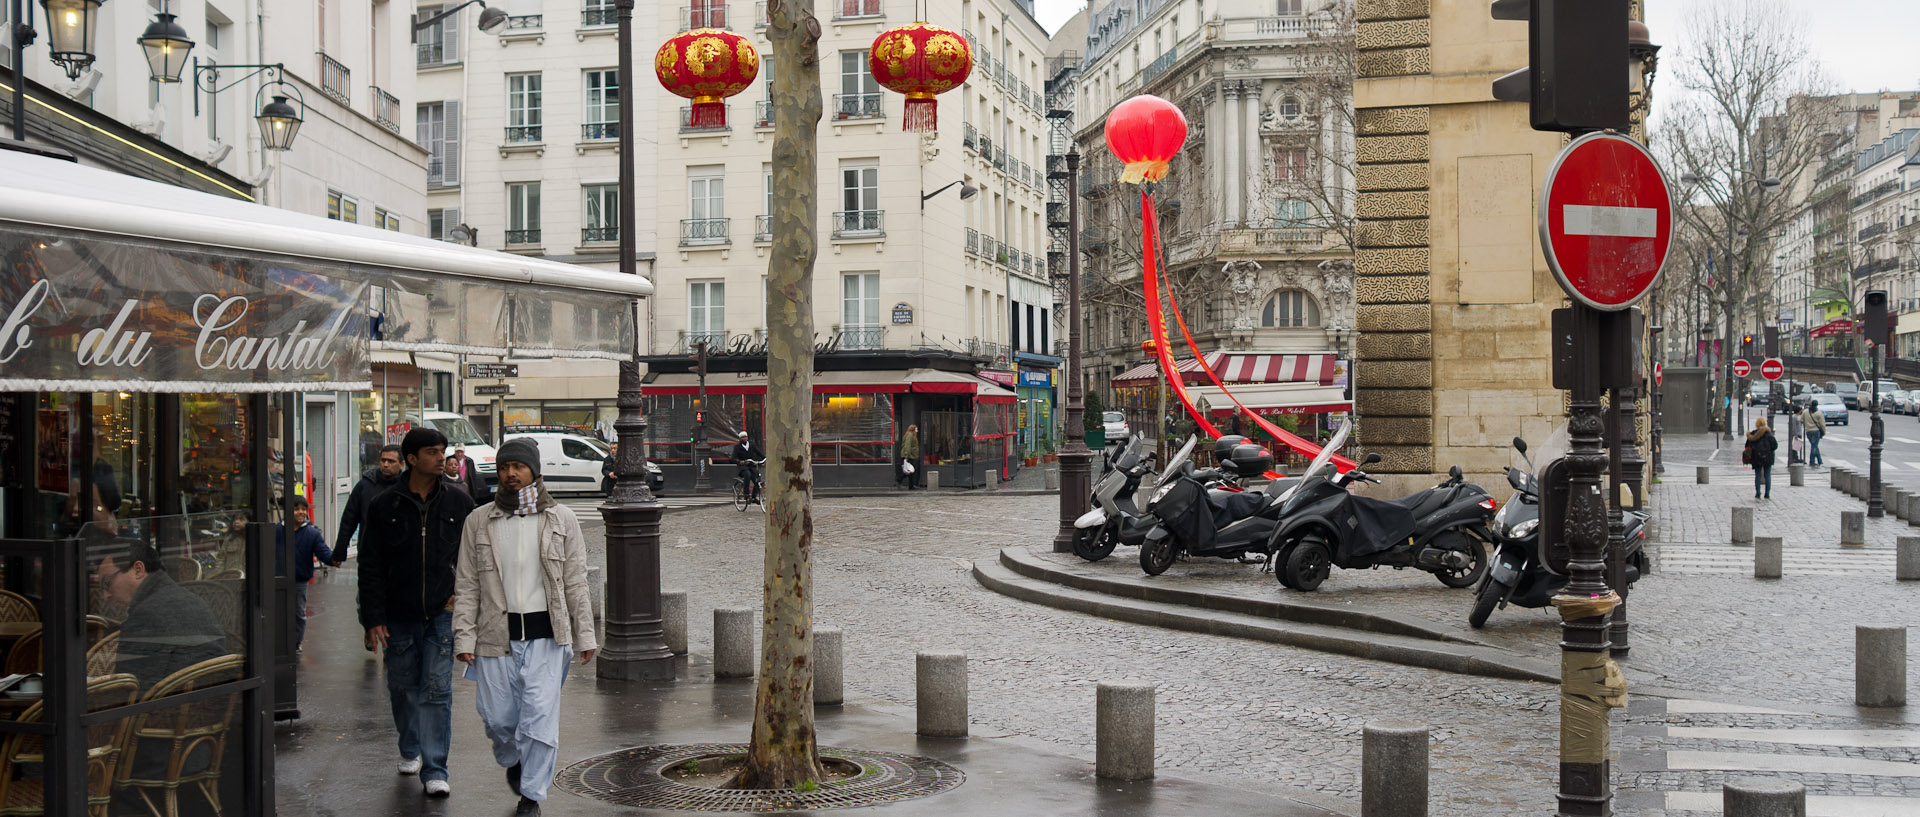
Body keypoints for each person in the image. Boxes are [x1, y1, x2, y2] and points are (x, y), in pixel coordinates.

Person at [453, 440, 597, 817]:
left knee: (538, 718)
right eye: (504, 467)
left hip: (547, 637)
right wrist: (463, 636)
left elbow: (575, 581)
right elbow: (467, 584)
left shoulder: (561, 519)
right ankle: (514, 757)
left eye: (518, 466)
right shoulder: (479, 520)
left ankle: (531, 795)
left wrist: (585, 634)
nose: (511, 474)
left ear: (534, 469)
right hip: (494, 636)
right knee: (498, 717)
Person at [358, 427, 476, 797]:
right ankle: (409, 746)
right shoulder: (385, 505)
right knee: (403, 687)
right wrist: (373, 617)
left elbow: (473, 558)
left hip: (442, 613)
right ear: (412, 459)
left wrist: (464, 599)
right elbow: (370, 564)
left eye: (443, 451)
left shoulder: (458, 503)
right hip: (397, 614)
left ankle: (436, 768)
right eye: (432, 452)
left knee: (437, 690)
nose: (442, 458)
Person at [97, 540, 228, 693]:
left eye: (107, 583)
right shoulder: (189, 599)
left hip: (172, 712)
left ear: (138, 570)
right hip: (213, 703)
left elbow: (129, 693)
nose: (105, 595)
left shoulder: (146, 614)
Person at [277, 496, 333, 653]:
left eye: (303, 509)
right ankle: (279, 641)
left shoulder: (311, 533)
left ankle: (295, 642)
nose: (300, 512)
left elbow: (323, 552)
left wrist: (334, 559)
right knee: (279, 612)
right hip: (279, 578)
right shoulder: (277, 530)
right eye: (296, 509)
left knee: (298, 612)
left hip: (299, 580)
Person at [336, 444, 404, 563]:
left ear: (402, 464)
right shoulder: (365, 485)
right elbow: (349, 520)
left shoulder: (408, 487)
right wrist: (340, 550)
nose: (386, 464)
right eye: (383, 460)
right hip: (370, 554)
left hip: (400, 556)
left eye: (391, 461)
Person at [1745, 417, 1778, 500]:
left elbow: (1747, 446)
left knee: (1758, 475)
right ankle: (1767, 494)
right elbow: (1775, 445)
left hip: (1756, 456)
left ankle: (1758, 493)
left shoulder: (1752, 434)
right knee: (1767, 475)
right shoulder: (1769, 434)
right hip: (1768, 456)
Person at [731, 431, 762, 503]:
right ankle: (746, 494)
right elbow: (733, 458)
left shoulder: (752, 445)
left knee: (757, 479)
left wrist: (765, 458)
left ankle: (754, 497)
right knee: (747, 475)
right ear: (740, 439)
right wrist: (739, 461)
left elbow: (759, 452)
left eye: (746, 437)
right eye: (743, 437)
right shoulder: (737, 447)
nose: (745, 438)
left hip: (751, 465)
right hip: (743, 468)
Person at [897, 424, 921, 490]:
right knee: (908, 471)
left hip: (912, 455)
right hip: (910, 456)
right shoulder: (910, 435)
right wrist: (906, 456)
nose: (917, 431)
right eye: (916, 429)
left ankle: (912, 485)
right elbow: (907, 446)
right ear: (913, 429)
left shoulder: (911, 435)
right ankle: (899, 479)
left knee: (911, 471)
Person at [1802, 402, 1825, 466]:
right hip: (1816, 431)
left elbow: (1801, 420)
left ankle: (1820, 460)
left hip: (1808, 431)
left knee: (1814, 445)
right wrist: (1823, 432)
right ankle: (1812, 461)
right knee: (1814, 446)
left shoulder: (1805, 412)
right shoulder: (1819, 413)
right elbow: (1822, 424)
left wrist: (1806, 423)